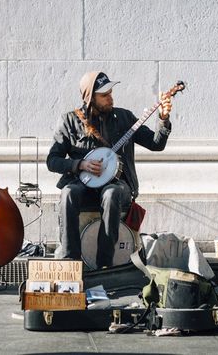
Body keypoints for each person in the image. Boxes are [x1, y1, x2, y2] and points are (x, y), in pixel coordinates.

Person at [47, 71, 173, 268]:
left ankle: (105, 265)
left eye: (111, 93)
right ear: (90, 97)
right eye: (104, 95)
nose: (110, 98)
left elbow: (156, 144)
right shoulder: (69, 121)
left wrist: (163, 119)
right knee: (68, 193)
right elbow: (52, 161)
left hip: (118, 184)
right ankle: (70, 261)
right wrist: (79, 165)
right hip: (83, 184)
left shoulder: (124, 118)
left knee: (111, 193)